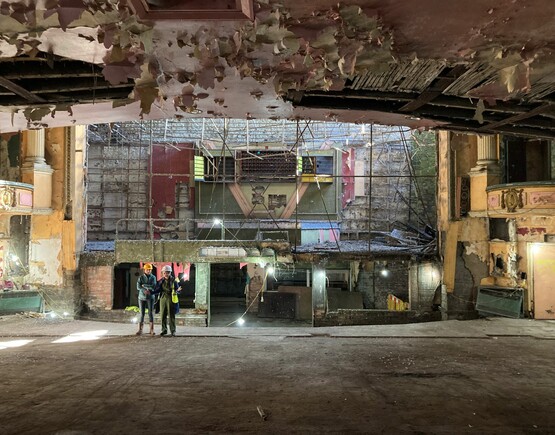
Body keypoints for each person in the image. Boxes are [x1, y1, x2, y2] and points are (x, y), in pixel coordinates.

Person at [154, 264, 180, 337]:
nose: (166, 274)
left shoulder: (174, 281)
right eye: (165, 272)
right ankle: (164, 330)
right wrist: (151, 292)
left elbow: (178, 290)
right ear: (163, 273)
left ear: (170, 273)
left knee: (171, 315)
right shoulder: (160, 281)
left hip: (170, 299)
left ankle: (173, 330)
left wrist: (178, 291)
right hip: (162, 298)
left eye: (168, 272)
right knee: (163, 315)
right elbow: (157, 290)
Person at [136, 263, 157, 336]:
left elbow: (153, 286)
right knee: (142, 313)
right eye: (147, 269)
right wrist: (146, 289)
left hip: (150, 297)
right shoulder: (141, 277)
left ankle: (151, 330)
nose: (148, 271)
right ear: (144, 270)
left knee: (150, 313)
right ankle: (140, 330)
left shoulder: (153, 277)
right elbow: (138, 287)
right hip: (141, 297)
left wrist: (144, 285)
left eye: (150, 269)